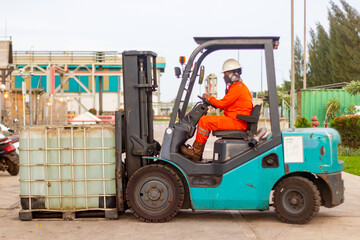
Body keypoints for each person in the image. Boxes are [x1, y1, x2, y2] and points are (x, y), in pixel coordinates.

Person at [180, 59, 253, 161]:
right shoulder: (237, 87)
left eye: (226, 74)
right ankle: (196, 151)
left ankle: (196, 152)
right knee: (206, 120)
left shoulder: (238, 88)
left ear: (233, 74)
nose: (224, 77)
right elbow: (225, 103)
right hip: (236, 120)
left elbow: (222, 104)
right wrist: (211, 100)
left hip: (236, 122)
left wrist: (209, 98)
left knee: (204, 121)